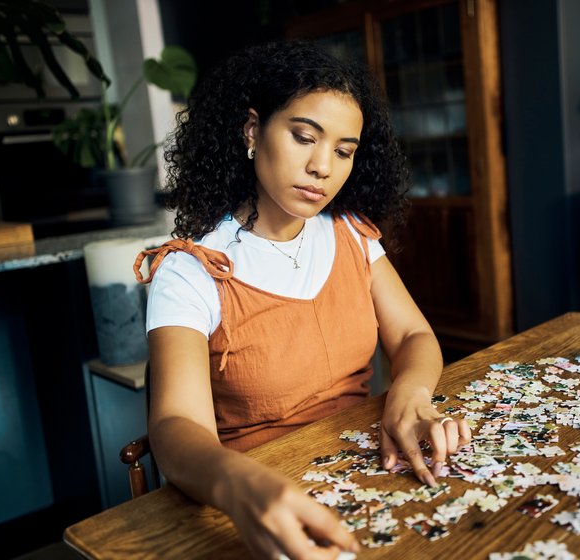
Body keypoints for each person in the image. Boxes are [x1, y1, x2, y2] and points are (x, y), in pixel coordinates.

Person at [133, 40, 471, 560]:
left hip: (370, 467)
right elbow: (175, 425)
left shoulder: (352, 235)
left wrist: (410, 392)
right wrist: (240, 486)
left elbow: (412, 335)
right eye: (303, 137)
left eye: (343, 151)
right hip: (255, 499)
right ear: (252, 131)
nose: (322, 167)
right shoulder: (189, 268)